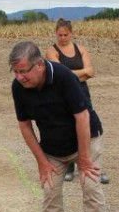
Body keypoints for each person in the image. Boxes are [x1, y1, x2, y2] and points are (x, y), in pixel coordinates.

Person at [9, 41, 110, 212]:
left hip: (84, 140)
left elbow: (82, 117)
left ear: (40, 65)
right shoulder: (18, 87)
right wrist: (42, 162)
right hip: (53, 148)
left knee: (91, 190)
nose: (20, 77)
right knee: (50, 194)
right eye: (16, 72)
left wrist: (84, 159)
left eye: (24, 71)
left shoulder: (65, 78)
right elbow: (25, 125)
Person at [44, 19, 109, 185]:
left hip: (83, 94)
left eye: (66, 34)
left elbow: (91, 71)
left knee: (89, 129)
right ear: (55, 34)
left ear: (71, 33)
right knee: (69, 128)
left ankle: (94, 167)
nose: (63, 37)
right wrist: (82, 74)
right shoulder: (51, 52)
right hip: (62, 96)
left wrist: (72, 74)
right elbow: (60, 75)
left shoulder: (81, 50)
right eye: (60, 35)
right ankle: (70, 167)